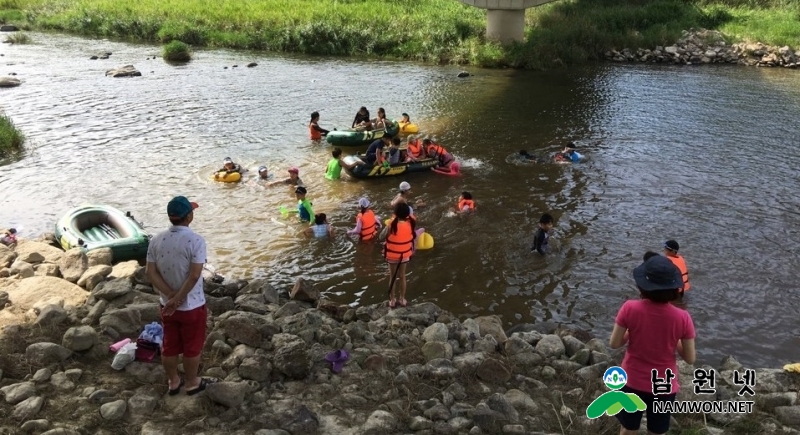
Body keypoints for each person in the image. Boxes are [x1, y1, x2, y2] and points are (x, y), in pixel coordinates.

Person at [609, 255, 696, 435]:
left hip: (632, 380)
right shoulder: (683, 317)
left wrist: (631, 331)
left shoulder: (629, 308)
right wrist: (675, 338)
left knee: (628, 428)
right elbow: (689, 358)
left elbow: (615, 343)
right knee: (657, 432)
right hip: (664, 386)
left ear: (642, 286)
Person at [146, 196, 215, 396]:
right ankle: (192, 382)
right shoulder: (196, 240)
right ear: (189, 216)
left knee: (170, 344)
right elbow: (194, 275)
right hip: (192, 306)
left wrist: (169, 296)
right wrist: (179, 298)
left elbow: (150, 273)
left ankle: (173, 381)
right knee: (192, 346)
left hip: (166, 305)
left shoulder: (156, 240)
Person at [383, 202, 417, 309]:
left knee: (392, 276)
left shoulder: (391, 225)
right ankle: (402, 299)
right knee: (402, 276)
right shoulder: (410, 224)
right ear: (407, 214)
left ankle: (392, 300)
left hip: (392, 255)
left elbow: (381, 237)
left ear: (395, 213)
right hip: (404, 255)